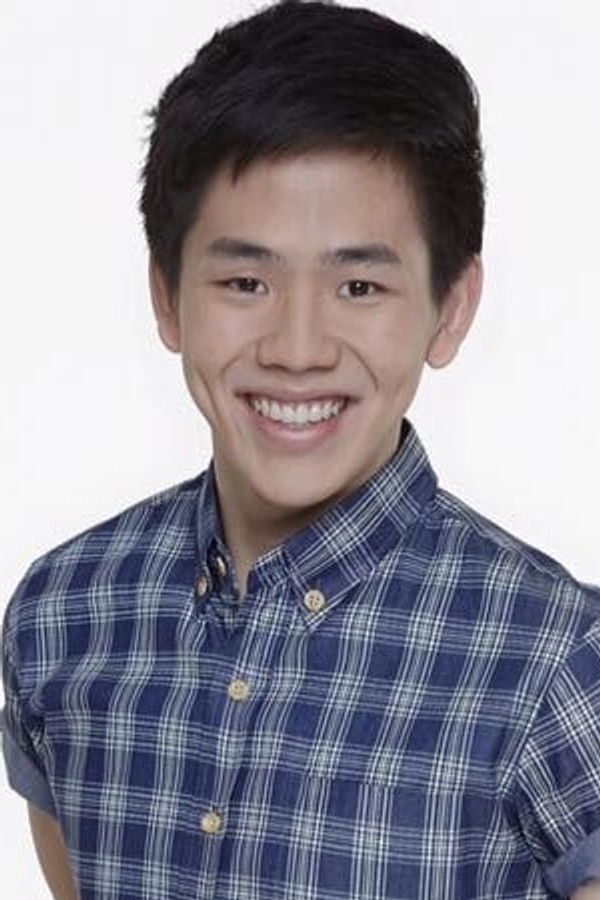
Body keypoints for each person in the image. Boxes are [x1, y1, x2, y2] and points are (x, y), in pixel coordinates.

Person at [2, 0, 599, 897]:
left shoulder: (561, 661)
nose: (297, 348)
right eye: (246, 281)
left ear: (450, 308)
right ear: (167, 295)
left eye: (359, 286)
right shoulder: (62, 613)